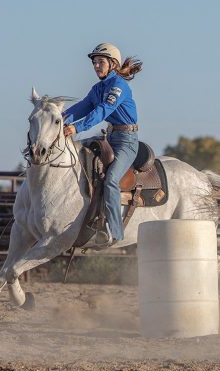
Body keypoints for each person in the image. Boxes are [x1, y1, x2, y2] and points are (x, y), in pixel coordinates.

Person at [63, 43, 143, 246]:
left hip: (127, 141)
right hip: (109, 138)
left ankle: (113, 231)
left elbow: (102, 111)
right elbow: (82, 107)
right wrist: (59, 120)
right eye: (94, 62)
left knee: (111, 179)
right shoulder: (97, 89)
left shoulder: (119, 86)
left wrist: (76, 128)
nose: (96, 66)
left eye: (101, 62)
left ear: (113, 64)